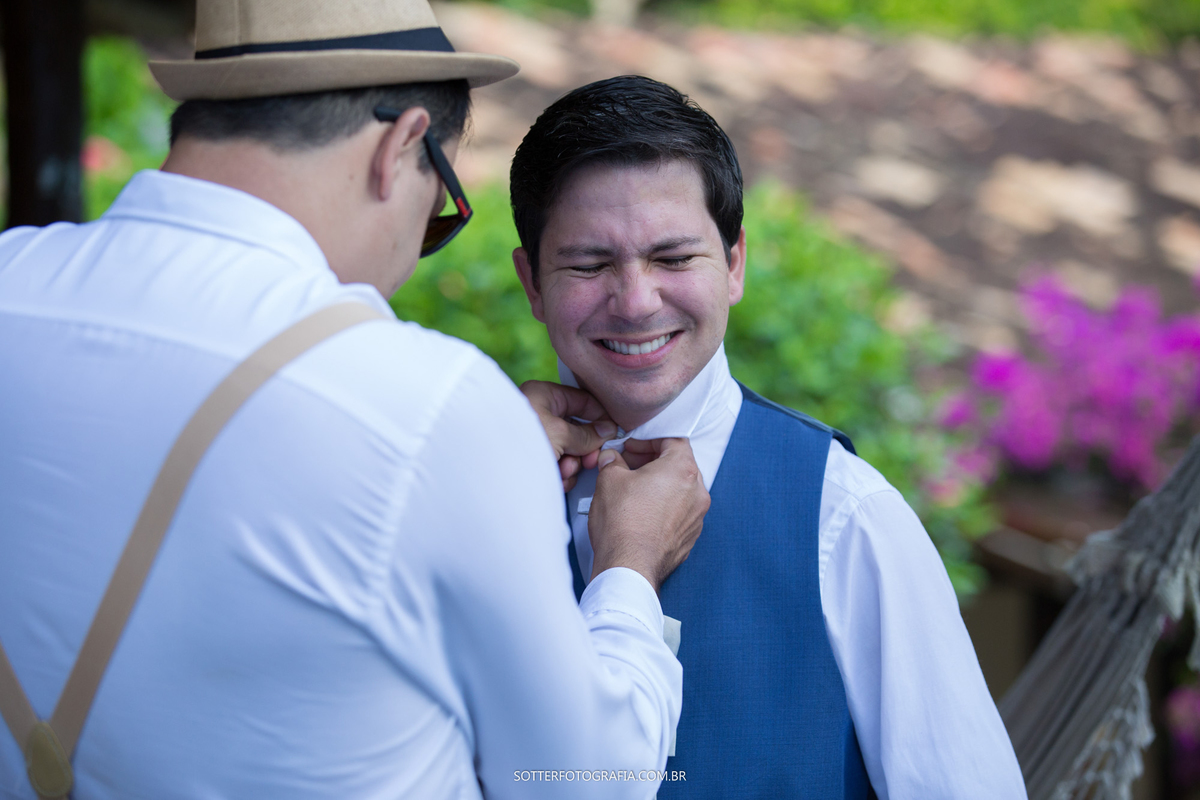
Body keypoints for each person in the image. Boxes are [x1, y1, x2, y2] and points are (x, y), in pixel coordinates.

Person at [0, 3, 713, 797]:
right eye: (437, 206)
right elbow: (587, 778)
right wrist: (629, 570)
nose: (413, 251)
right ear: (402, 146)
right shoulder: (427, 404)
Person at [510, 75, 1029, 799]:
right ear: (532, 282)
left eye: (673, 257)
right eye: (589, 264)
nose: (634, 301)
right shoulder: (472, 492)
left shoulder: (843, 514)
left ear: (734, 264)